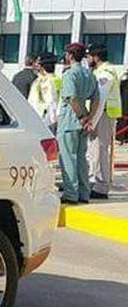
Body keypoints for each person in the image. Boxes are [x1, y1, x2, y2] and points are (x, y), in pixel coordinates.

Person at [56, 43, 99, 205]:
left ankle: (71, 193)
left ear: (70, 56)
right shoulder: (89, 74)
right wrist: (89, 118)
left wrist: (81, 117)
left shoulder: (70, 74)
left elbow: (72, 98)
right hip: (84, 120)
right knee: (81, 159)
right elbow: (96, 99)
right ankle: (84, 193)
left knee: (68, 157)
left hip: (70, 120)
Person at [85, 44, 122, 199]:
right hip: (102, 115)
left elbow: (100, 100)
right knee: (94, 151)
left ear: (96, 57)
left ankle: (101, 187)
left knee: (100, 151)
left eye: (88, 56)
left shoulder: (105, 73)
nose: (87, 59)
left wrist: (92, 121)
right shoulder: (100, 71)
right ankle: (94, 182)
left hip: (103, 115)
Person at [27, 52, 60, 131]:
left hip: (44, 120)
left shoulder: (43, 82)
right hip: (52, 119)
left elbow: (50, 102)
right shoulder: (58, 80)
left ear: (42, 67)